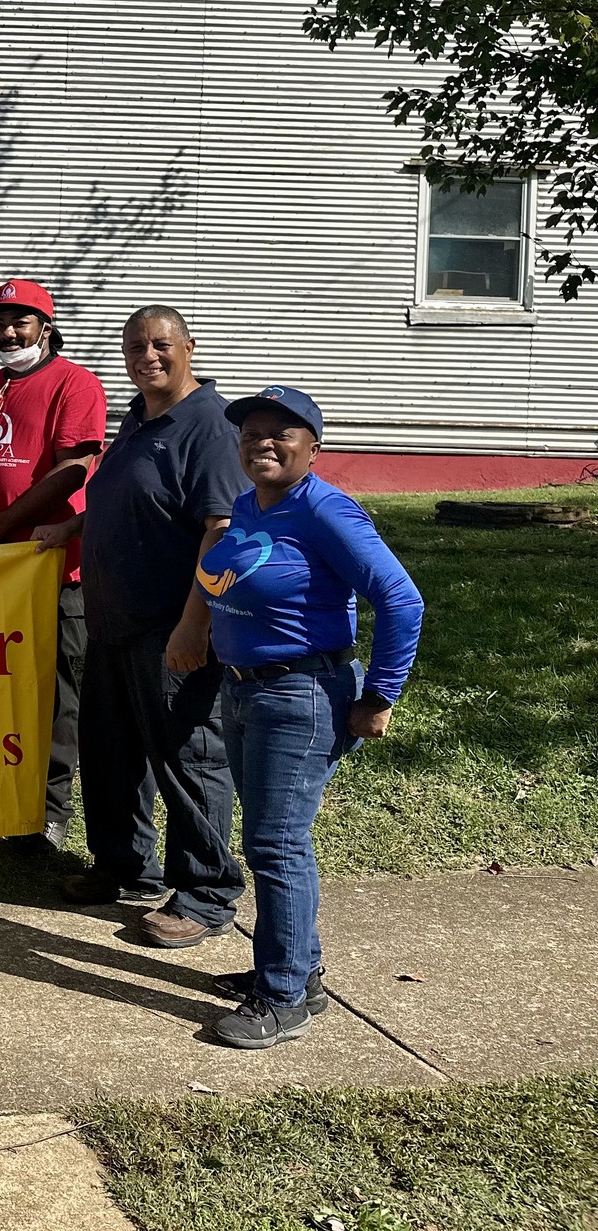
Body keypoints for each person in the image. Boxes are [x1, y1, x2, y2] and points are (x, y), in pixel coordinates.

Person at [198, 385, 422, 1049]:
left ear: (313, 449)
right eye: (250, 433)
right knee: (275, 839)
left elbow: (401, 600)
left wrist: (380, 696)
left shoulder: (328, 512)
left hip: (301, 697)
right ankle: (298, 970)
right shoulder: (247, 506)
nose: (261, 442)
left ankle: (284, 996)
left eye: (281, 433)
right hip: (243, 693)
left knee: (275, 844)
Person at [34, 305, 246, 950]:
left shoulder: (209, 426)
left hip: (169, 627)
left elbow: (221, 532)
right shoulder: (138, 420)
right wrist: (70, 528)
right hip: (112, 620)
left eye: (160, 345)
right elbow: (125, 498)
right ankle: (125, 870)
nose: (146, 356)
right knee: (112, 755)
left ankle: (206, 893)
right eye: (135, 347)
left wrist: (194, 624)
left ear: (188, 348)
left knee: (188, 758)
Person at [0, 279, 106, 851]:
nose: (8, 333)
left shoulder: (75, 383)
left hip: (53, 566)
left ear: (46, 327)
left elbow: (76, 468)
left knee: (56, 689)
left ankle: (50, 808)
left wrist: (2, 525)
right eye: (0, 323)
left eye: (22, 322)